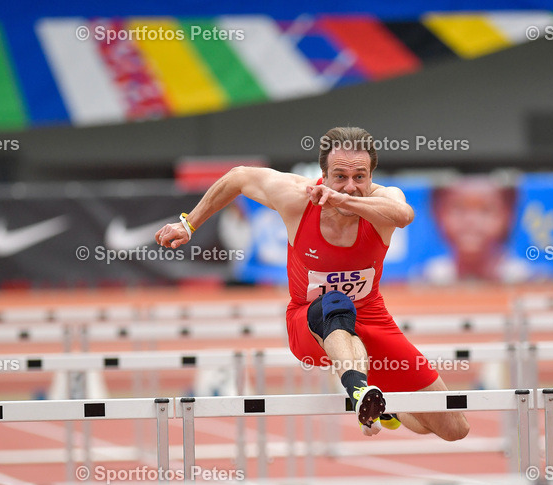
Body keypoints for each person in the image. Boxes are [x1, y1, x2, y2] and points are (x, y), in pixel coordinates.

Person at [156, 126, 469, 441]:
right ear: (323, 175)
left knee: (454, 429)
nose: (350, 185)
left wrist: (343, 200)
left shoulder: (384, 201)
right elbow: (238, 177)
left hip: (372, 319)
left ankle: (387, 408)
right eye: (340, 177)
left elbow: (404, 215)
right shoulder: (296, 197)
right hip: (307, 324)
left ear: (371, 177)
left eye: (360, 177)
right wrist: (188, 223)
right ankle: (359, 391)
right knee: (336, 303)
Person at [426, 178, 518, 283]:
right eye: (458, 208)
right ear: (437, 213)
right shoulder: (426, 278)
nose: (470, 221)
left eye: (486, 209)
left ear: (509, 214)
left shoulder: (526, 279)